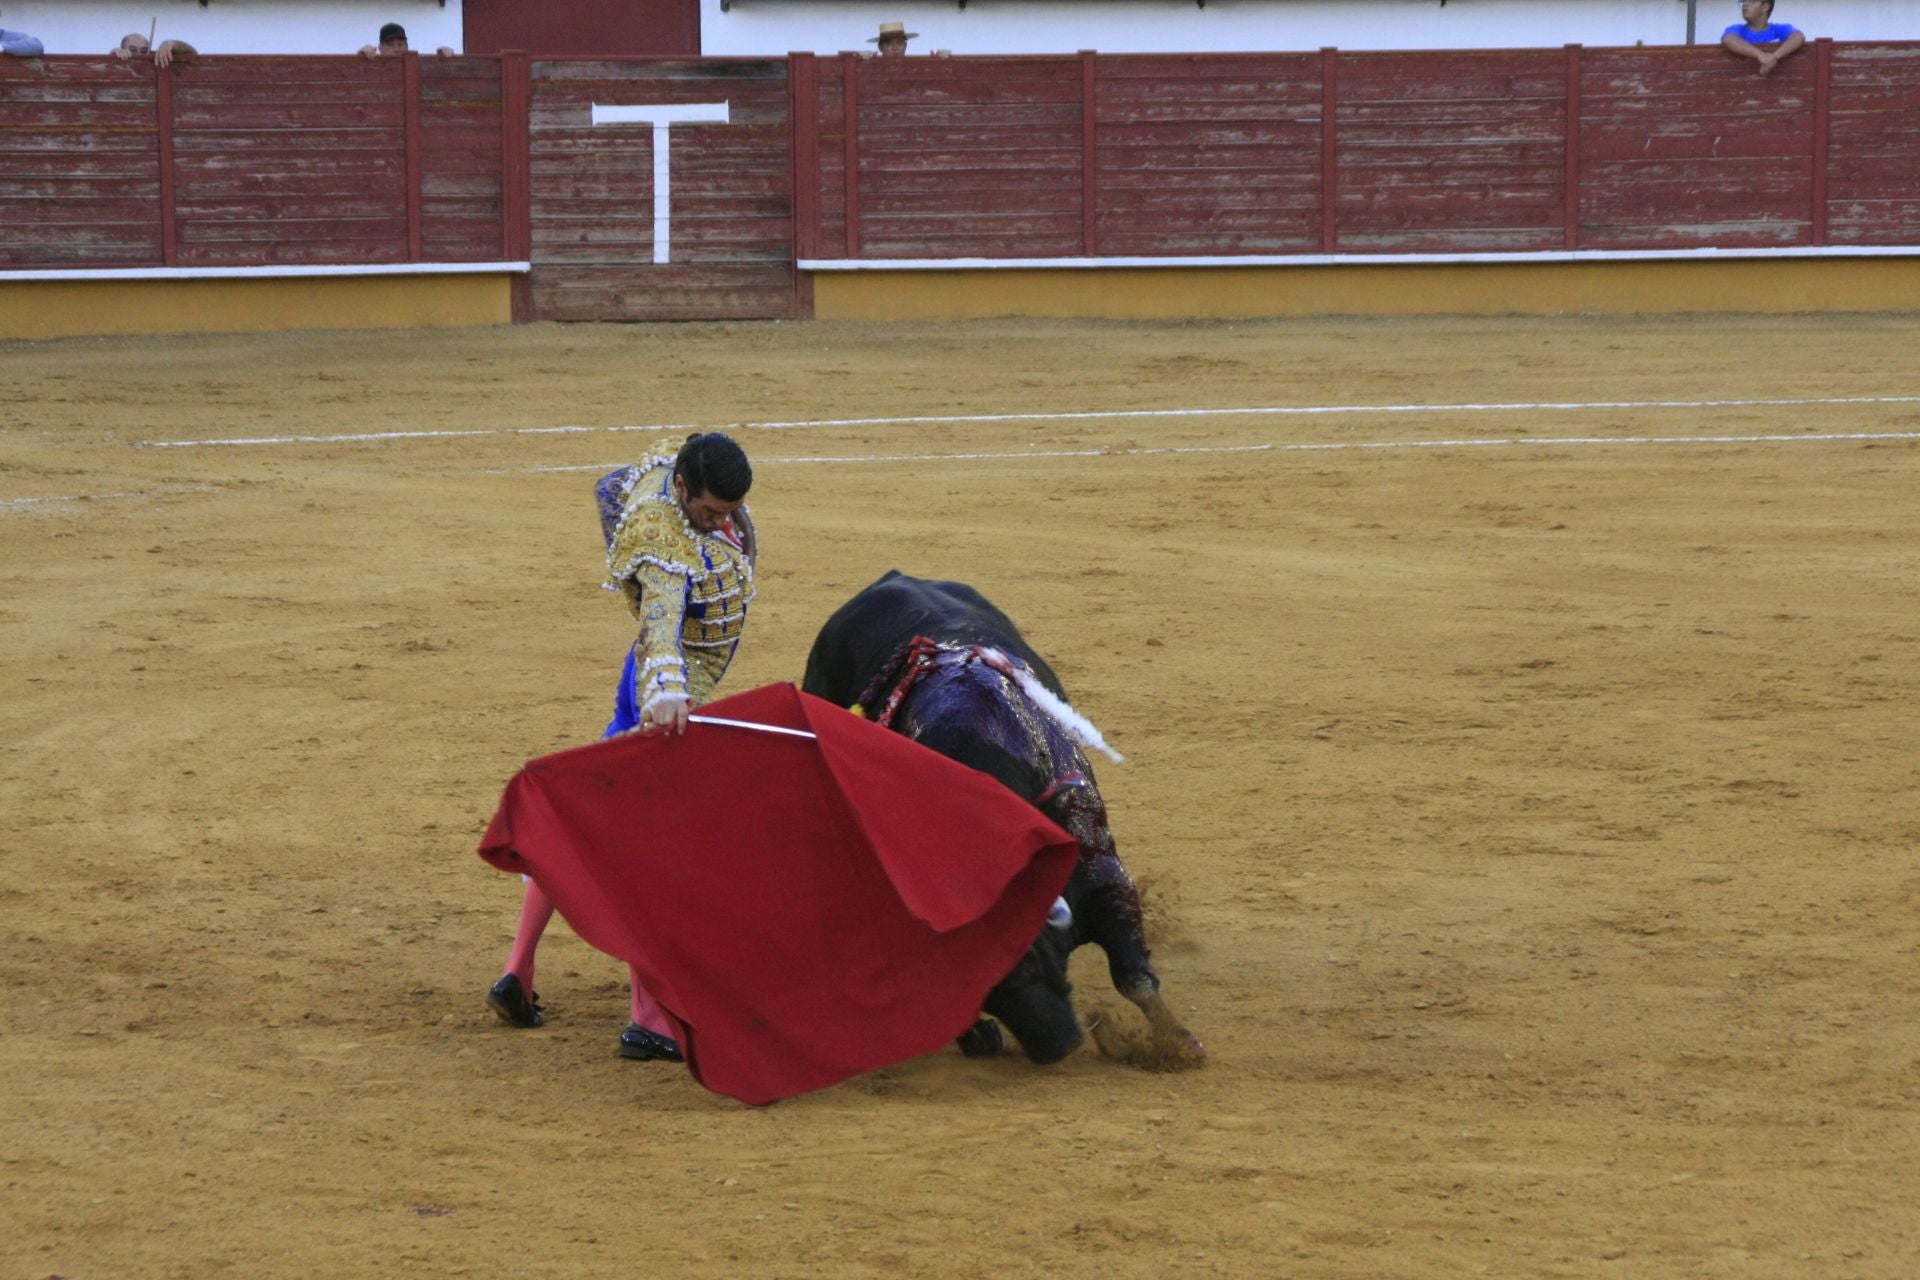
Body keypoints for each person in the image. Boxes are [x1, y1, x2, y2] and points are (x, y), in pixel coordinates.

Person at [487, 433, 758, 1063]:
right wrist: (667, 691)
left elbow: (614, 482)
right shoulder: (661, 539)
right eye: (711, 512)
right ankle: (646, 1017)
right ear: (685, 490)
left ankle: (518, 972)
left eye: (730, 512)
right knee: (653, 854)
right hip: (668, 699)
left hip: (648, 683)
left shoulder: (675, 478)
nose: (722, 522)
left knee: (588, 826)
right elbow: (662, 618)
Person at [1722, 0, 1804, 76]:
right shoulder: (1737, 29)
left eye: (1751, 0)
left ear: (1765, 7)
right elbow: (1728, 39)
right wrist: (1760, 55)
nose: (1745, 4)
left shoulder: (1779, 29)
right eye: (1743, 0)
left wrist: (1774, 57)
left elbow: (1798, 37)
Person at [358, 22, 454, 58]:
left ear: (407, 47)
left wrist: (444, 54)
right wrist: (361, 55)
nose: (396, 49)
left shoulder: (415, 67)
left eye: (400, 45)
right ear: (380, 48)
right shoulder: (373, 66)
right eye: (391, 45)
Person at [113, 32, 197, 69]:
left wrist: (171, 44)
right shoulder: (119, 57)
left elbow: (192, 53)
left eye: (143, 51)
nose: (139, 55)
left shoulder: (155, 58)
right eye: (133, 50)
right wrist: (115, 53)